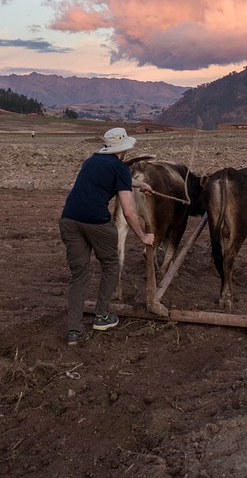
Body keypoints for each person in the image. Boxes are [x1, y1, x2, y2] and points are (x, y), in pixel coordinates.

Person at [59, 127, 154, 347]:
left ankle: (74, 330)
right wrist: (143, 237)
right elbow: (129, 212)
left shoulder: (91, 161)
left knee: (78, 274)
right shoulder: (120, 167)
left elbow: (115, 180)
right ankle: (101, 316)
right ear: (124, 149)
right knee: (111, 264)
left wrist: (141, 184)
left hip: (69, 221)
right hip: (96, 223)